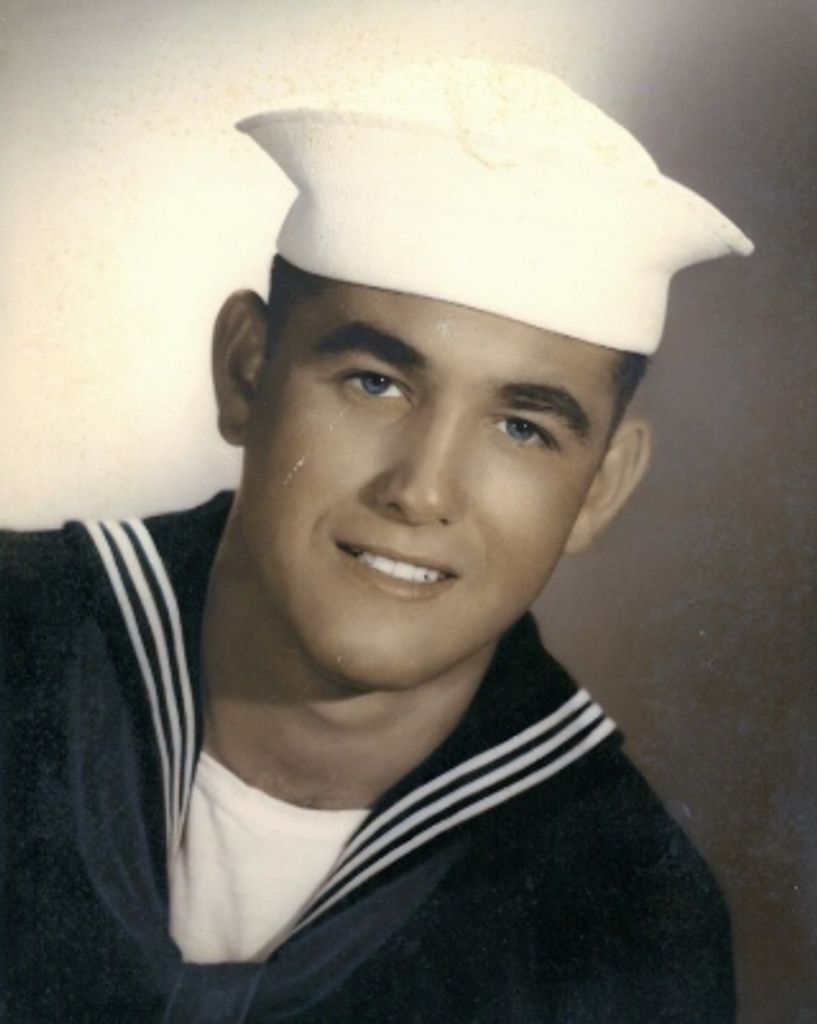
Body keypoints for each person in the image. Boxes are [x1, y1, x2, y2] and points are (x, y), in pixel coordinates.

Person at [1, 60, 753, 1023]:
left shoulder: (628, 917)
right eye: (374, 383)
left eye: (521, 428)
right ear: (246, 371)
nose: (422, 490)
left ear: (599, 488)